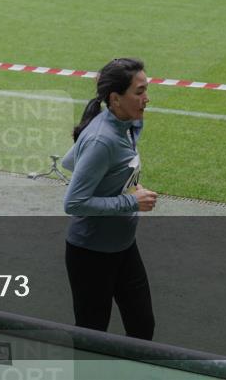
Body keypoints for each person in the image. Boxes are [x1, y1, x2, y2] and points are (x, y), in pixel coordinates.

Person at [62, 57, 158, 340]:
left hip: (123, 247)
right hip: (91, 255)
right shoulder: (102, 139)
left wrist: (126, 186)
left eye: (146, 90)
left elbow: (71, 161)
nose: (146, 99)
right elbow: (74, 203)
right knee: (93, 337)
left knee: (142, 327)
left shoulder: (129, 124)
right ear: (115, 99)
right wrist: (131, 201)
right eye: (139, 92)